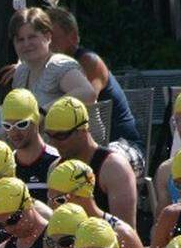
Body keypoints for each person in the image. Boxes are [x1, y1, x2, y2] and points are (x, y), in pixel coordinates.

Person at [46, 6, 141, 147]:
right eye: (43, 38)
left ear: (72, 37)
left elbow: (87, 104)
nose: (47, 44)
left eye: (52, 38)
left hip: (121, 145)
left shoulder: (89, 62)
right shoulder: (50, 67)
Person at [43, 96, 138, 229]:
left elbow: (126, 232)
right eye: (49, 135)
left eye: (60, 136)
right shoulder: (56, 168)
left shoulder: (114, 167)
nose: (52, 143)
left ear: (82, 131)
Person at [46, 159, 145, 248]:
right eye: (49, 200)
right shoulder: (55, 233)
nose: (52, 207)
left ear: (80, 196)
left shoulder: (121, 235)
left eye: (59, 200)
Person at [8, 8, 96, 108]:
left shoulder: (59, 65)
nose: (26, 44)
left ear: (48, 37)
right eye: (20, 39)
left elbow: (88, 93)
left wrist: (44, 111)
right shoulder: (20, 72)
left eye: (32, 37)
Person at [0, 88, 59, 201]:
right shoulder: (5, 167)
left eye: (21, 124)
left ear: (36, 121)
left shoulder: (56, 162)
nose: (14, 132)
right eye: (7, 126)